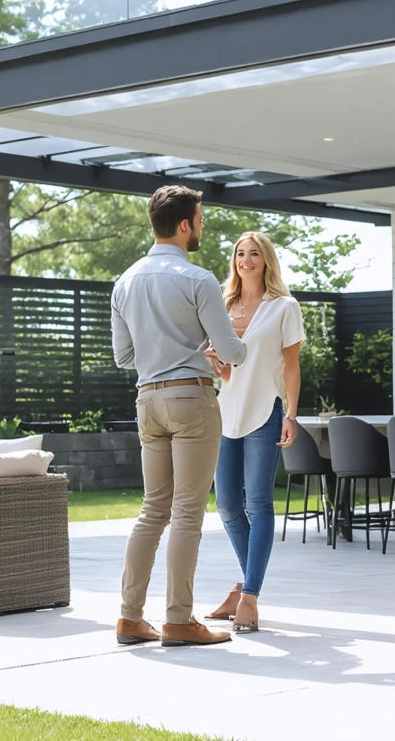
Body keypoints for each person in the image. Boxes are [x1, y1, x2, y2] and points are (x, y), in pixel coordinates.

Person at [110, 185, 247, 648]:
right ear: (185, 224)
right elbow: (230, 352)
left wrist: (162, 349)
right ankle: (179, 620)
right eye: (201, 219)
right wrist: (238, 340)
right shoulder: (199, 279)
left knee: (153, 511)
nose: (202, 227)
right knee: (188, 513)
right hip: (191, 400)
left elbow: (124, 357)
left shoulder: (125, 280)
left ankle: (130, 618)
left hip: (147, 400)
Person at [204, 231, 305, 633]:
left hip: (266, 412)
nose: (246, 260)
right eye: (240, 253)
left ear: (267, 261)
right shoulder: (222, 306)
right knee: (227, 504)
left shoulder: (284, 307)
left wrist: (292, 414)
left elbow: (292, 366)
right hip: (224, 414)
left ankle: (249, 598)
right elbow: (228, 372)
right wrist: (217, 364)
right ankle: (246, 584)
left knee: (259, 505)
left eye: (254, 254)